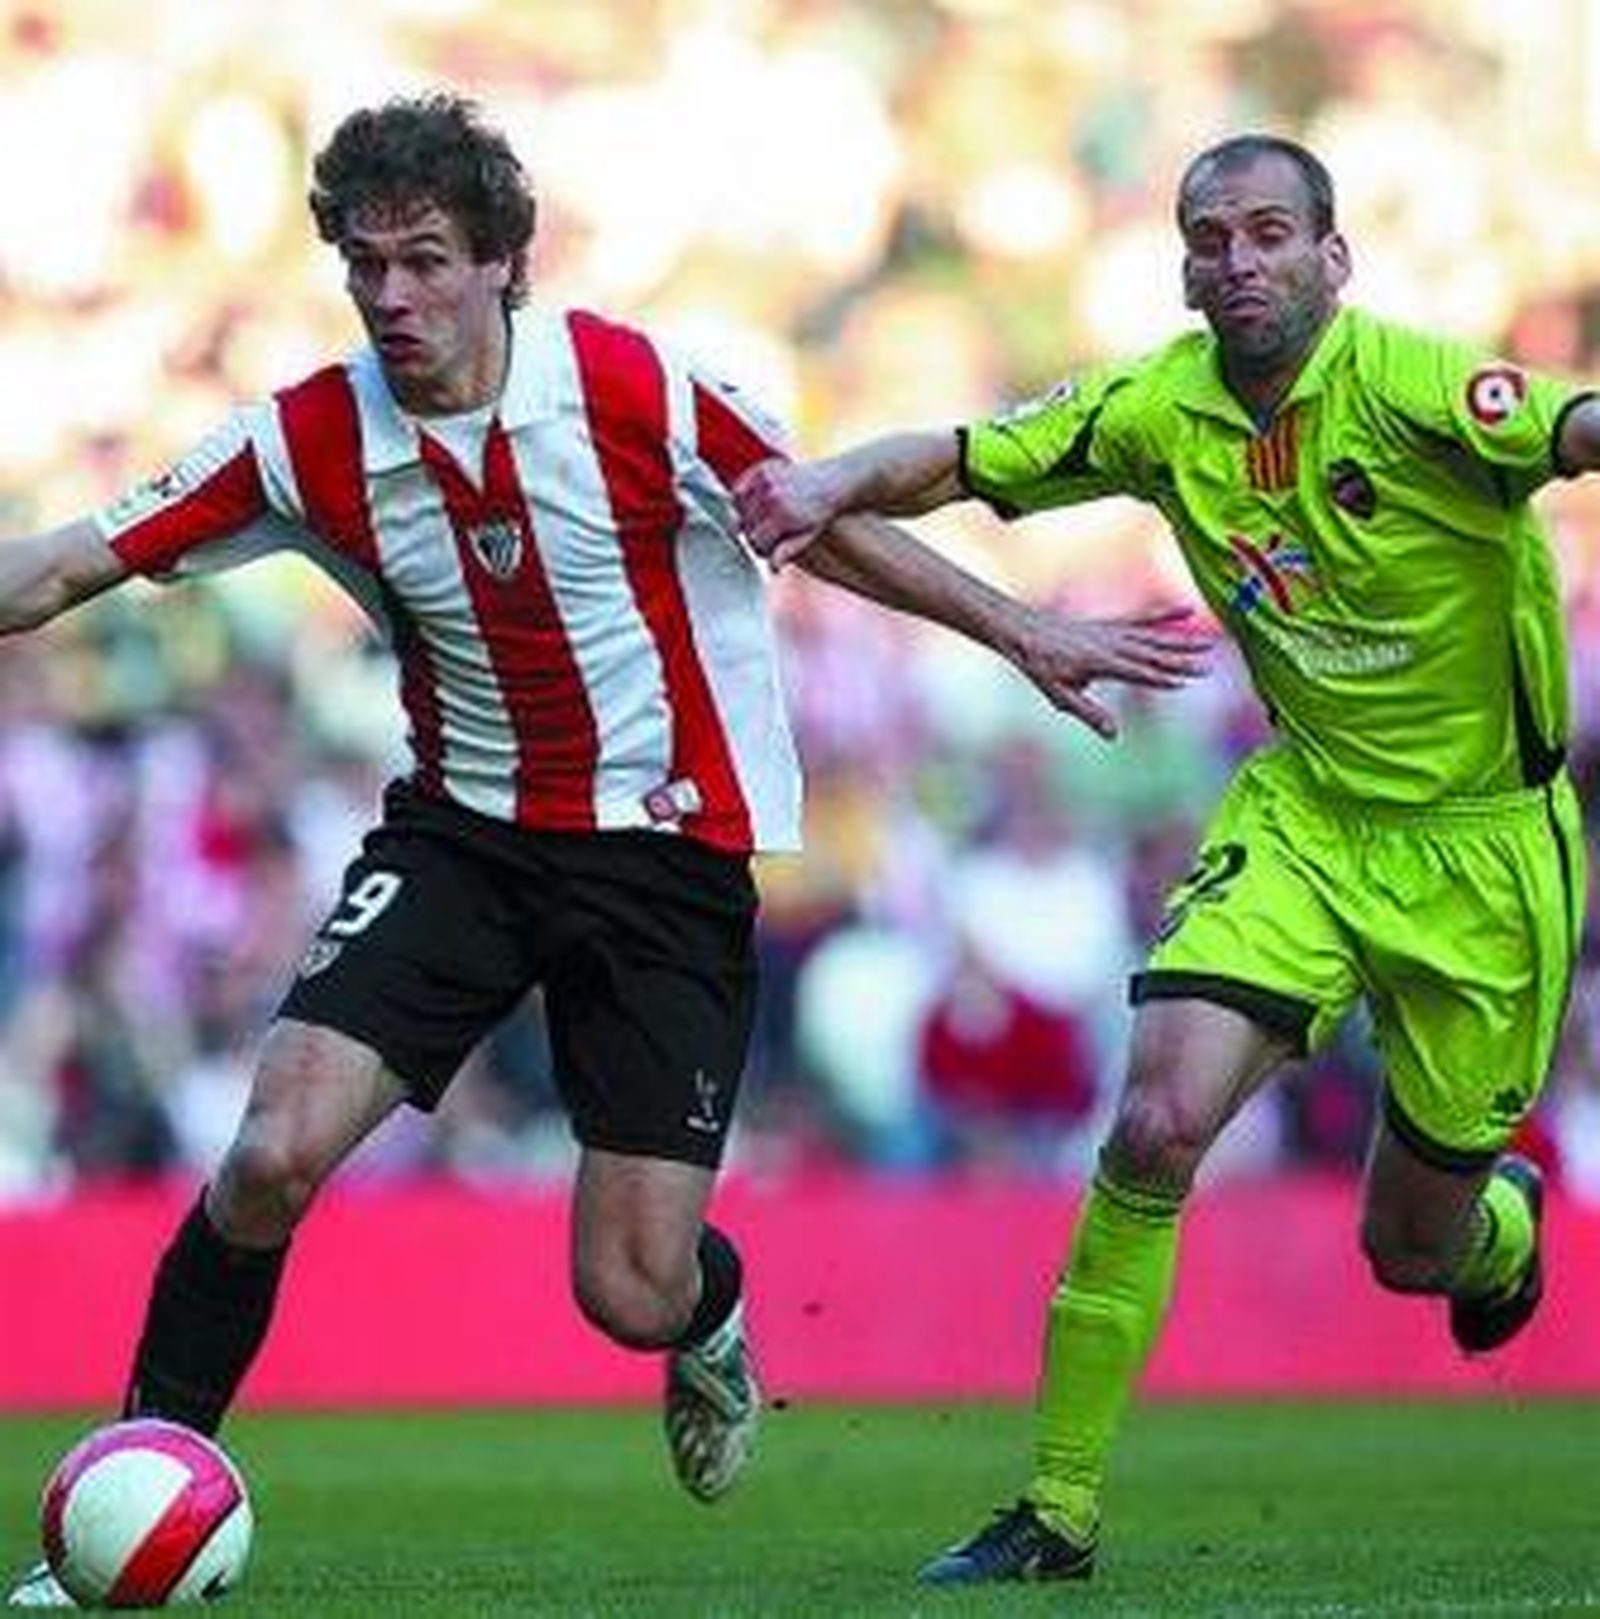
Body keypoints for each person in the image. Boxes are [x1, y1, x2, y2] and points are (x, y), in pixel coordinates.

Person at [4, 94, 1206, 1608]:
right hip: (463, 840)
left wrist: (1023, 627)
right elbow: (62, 565)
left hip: (665, 858)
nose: (392, 298)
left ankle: (708, 1319)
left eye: (426, 261)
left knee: (628, 1289)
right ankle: (144, 1483)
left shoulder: (630, 389)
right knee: (268, 1153)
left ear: (505, 260)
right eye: (364, 266)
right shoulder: (308, 436)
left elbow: (820, 520)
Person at [735, 131, 1598, 1586]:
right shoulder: (1157, 408)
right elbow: (956, 459)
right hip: (1307, 819)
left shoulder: (1420, 388)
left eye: (1271, 233)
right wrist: (823, 482)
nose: (1239, 260)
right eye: (1212, 237)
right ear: (1185, 265)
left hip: (1484, 858)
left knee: (1412, 1249)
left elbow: (1572, 431)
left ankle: (1498, 1230)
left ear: (1334, 257)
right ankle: (1057, 1509)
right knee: (1151, 1128)